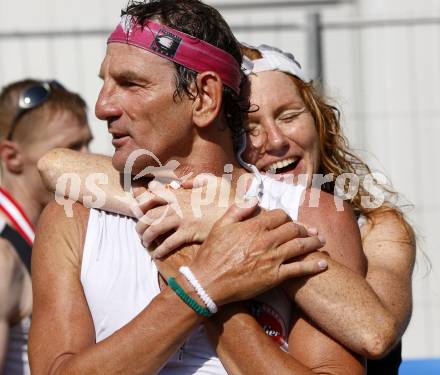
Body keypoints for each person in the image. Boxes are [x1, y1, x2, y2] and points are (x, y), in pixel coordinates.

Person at [29, 1, 369, 374]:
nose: (102, 107)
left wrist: (208, 291)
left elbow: (370, 336)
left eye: (130, 84)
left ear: (205, 98)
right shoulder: (73, 218)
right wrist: (196, 290)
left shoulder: (309, 213)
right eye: (105, 83)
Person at [0, 79, 92, 374]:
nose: (88, 160)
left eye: (87, 142)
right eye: (71, 148)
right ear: (12, 157)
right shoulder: (3, 257)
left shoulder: (47, 230)